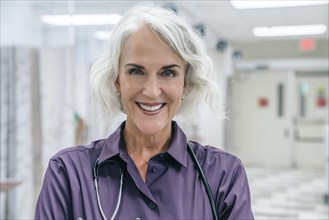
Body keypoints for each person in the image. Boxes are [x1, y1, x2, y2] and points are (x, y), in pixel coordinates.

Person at [35, 3, 254, 220]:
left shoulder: (223, 175)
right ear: (116, 80)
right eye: (136, 71)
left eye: (168, 73)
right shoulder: (68, 173)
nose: (151, 91)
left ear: (185, 83)